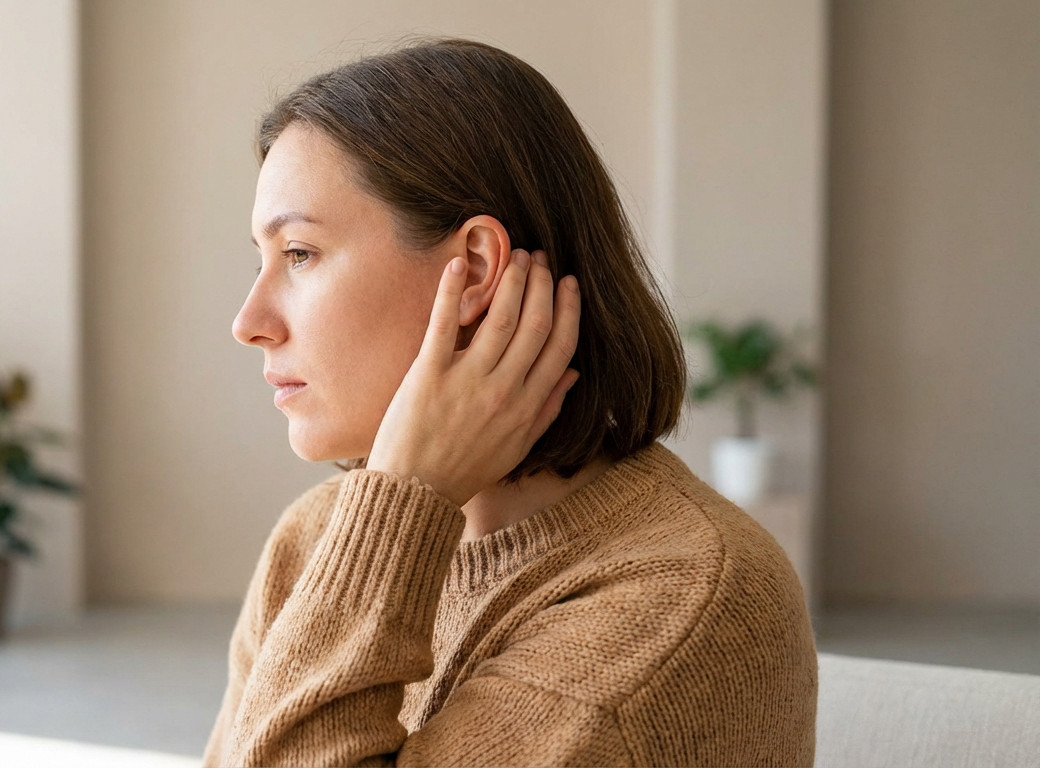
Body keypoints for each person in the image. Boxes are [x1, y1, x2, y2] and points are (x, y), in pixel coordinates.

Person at [206, 36, 817, 767]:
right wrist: (396, 506)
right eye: (262, 260)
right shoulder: (314, 541)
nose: (248, 322)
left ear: (473, 270)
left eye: (300, 254)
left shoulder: (679, 602)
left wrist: (401, 503)